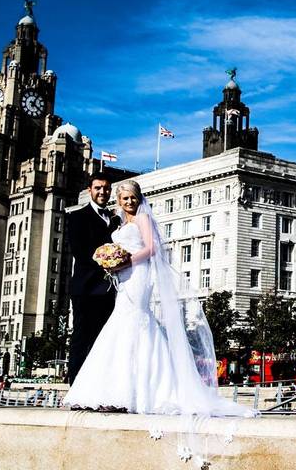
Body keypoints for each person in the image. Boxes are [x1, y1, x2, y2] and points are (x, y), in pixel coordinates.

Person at [63, 180, 255, 418]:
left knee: (135, 321)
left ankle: (138, 392)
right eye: (125, 198)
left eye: (133, 197)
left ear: (138, 198)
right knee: (118, 328)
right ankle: (114, 390)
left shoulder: (142, 219)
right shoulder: (118, 221)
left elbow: (152, 249)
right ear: (118, 201)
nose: (129, 201)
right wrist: (113, 263)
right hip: (118, 281)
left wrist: (125, 262)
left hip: (136, 276)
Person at [66, 172, 121, 384]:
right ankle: (75, 385)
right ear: (90, 190)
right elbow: (81, 254)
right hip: (86, 289)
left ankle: (97, 385)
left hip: (108, 291)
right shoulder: (77, 217)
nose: (102, 192)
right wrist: (109, 263)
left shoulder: (114, 219)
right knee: (82, 337)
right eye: (98, 188)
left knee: (103, 339)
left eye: (106, 188)